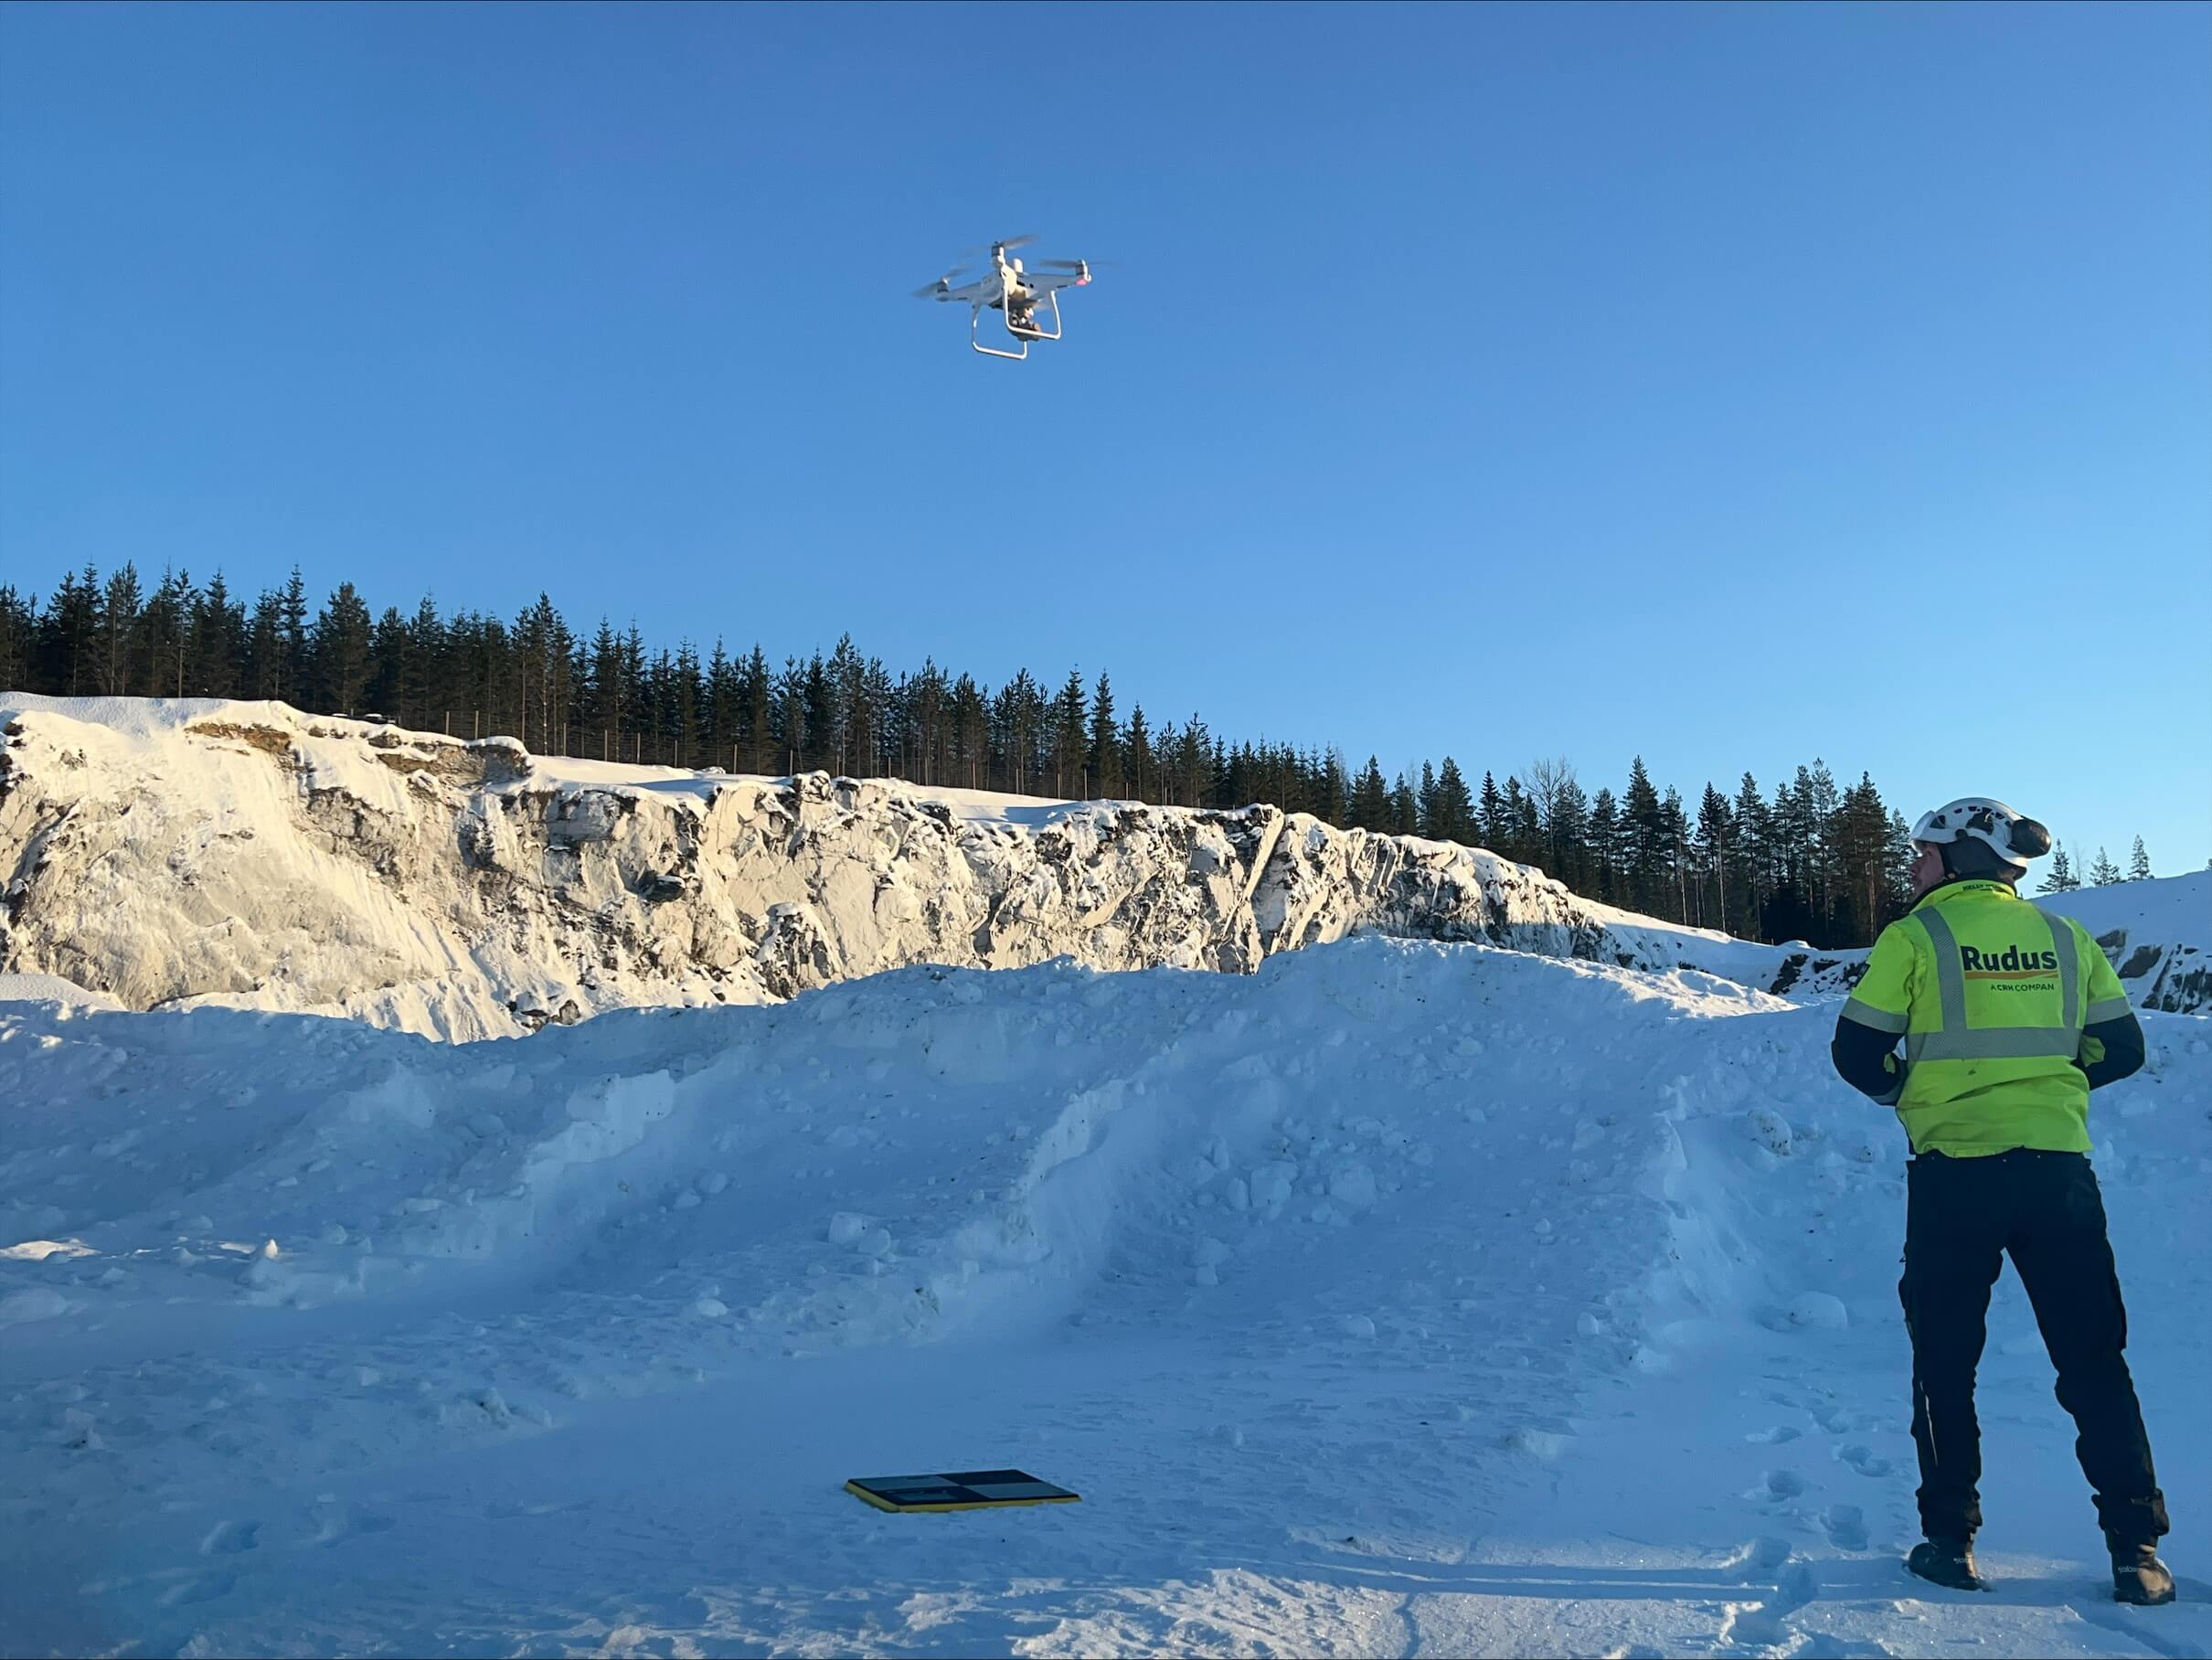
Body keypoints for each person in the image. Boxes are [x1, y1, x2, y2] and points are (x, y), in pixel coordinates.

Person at [1830, 797, 2174, 1605]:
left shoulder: (1917, 936)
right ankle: (2139, 1553)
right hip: (2058, 1175)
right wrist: (2047, 1089)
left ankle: (1950, 1542)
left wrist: (1907, 1093)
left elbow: (1857, 1051)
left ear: (1961, 856)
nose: (1913, 866)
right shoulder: (2065, 937)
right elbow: (2122, 1048)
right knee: (2094, 1359)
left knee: (1944, 1362)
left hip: (1956, 1178)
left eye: (1923, 852)